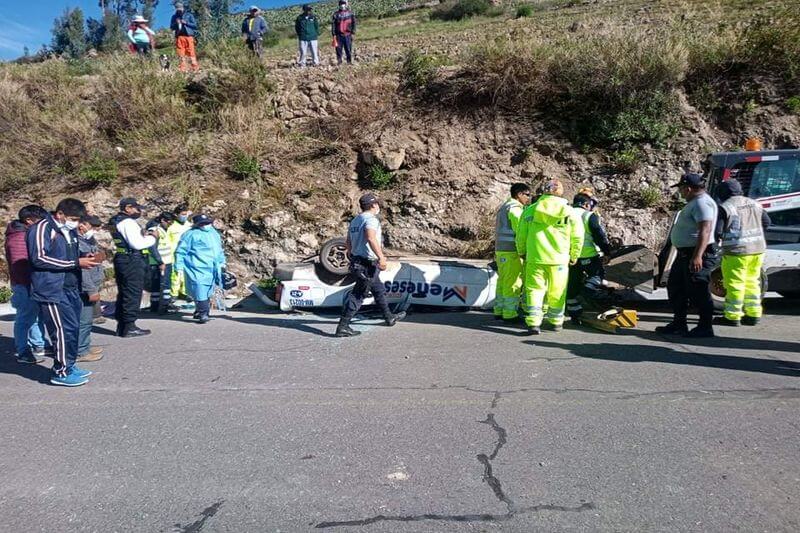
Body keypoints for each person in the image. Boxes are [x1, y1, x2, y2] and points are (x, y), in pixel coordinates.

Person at [27, 199, 100, 386]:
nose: (75, 223)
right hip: (52, 289)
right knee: (60, 331)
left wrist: (84, 258)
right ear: (60, 214)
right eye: (73, 219)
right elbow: (39, 258)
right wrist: (76, 263)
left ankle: (70, 364)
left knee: (72, 328)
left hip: (71, 287)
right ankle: (61, 372)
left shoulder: (69, 231)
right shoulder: (42, 229)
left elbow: (69, 256)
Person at [516, 179, 584, 335]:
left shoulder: (530, 211)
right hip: (559, 260)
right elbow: (577, 237)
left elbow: (521, 235)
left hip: (535, 257)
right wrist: (574, 255)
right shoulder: (570, 212)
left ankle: (533, 323)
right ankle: (555, 322)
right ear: (560, 192)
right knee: (558, 290)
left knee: (534, 290)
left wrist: (522, 252)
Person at [656, 173, 720, 338]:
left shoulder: (702, 203)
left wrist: (698, 256)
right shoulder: (696, 202)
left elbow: (705, 230)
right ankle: (679, 323)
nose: (681, 193)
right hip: (685, 253)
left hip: (697, 253)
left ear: (688, 189)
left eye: (681, 189)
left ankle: (705, 327)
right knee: (676, 288)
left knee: (699, 290)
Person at [335, 193, 405, 337]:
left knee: (378, 289)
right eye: (377, 204)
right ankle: (343, 326)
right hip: (367, 264)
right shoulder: (371, 219)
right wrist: (381, 257)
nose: (378, 206)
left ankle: (389, 317)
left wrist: (351, 254)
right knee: (358, 295)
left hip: (359, 262)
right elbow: (371, 238)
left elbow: (348, 241)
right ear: (374, 205)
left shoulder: (355, 220)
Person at [715, 178, 770, 327]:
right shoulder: (755, 204)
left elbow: (718, 231)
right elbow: (767, 222)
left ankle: (732, 316)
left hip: (736, 251)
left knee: (734, 283)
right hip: (758, 250)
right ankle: (753, 314)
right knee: (752, 282)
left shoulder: (726, 207)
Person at [5, 205, 49, 364]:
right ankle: (22, 350)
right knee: (25, 318)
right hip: (25, 284)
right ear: (29, 220)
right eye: (40, 221)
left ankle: (38, 345)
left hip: (32, 283)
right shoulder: (18, 237)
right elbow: (21, 265)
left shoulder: (27, 233)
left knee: (36, 316)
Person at [111, 198, 156, 337]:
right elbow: (137, 244)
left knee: (124, 292)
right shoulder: (127, 222)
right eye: (137, 208)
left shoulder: (116, 220)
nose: (139, 211)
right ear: (128, 208)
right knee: (132, 292)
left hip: (123, 258)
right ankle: (129, 326)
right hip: (131, 259)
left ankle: (123, 325)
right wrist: (153, 238)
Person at [566, 191, 612, 323]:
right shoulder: (588, 216)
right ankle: (591, 292)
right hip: (589, 256)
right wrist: (607, 252)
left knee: (572, 286)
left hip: (571, 257)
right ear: (586, 204)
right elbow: (599, 236)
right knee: (597, 277)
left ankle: (575, 314)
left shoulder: (565, 214)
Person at [173, 214, 226, 324]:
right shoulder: (190, 234)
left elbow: (218, 249)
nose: (206, 225)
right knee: (200, 289)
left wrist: (222, 262)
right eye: (203, 224)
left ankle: (199, 311)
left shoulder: (213, 233)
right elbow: (181, 251)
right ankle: (203, 313)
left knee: (207, 291)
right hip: (196, 267)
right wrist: (179, 266)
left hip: (212, 267)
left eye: (207, 223)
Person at [493, 183, 531, 321]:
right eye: (527, 194)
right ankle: (510, 314)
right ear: (519, 194)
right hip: (511, 251)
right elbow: (520, 230)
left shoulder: (504, 206)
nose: (528, 198)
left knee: (503, 281)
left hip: (501, 250)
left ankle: (499, 309)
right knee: (513, 282)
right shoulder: (515, 208)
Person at [76, 215, 106, 363]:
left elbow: (97, 257)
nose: (93, 230)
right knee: (84, 320)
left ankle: (84, 346)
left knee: (86, 320)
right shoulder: (78, 242)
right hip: (85, 287)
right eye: (92, 226)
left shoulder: (88, 240)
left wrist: (100, 256)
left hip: (93, 283)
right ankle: (80, 351)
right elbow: (83, 270)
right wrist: (91, 290)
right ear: (81, 225)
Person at [147, 212, 177, 314]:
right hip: (159, 263)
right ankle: (162, 306)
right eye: (169, 222)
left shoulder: (165, 230)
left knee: (163, 285)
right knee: (163, 285)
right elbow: (151, 247)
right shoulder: (156, 230)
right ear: (162, 220)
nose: (171, 224)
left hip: (166, 261)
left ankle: (158, 306)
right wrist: (160, 262)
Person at [167, 204, 193, 301]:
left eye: (186, 214)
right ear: (176, 214)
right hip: (174, 253)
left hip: (187, 253)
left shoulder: (189, 225)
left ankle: (185, 292)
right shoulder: (171, 226)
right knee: (175, 274)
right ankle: (174, 294)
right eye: (182, 214)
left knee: (186, 273)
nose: (185, 216)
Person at [170, 2, 200, 72]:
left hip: (189, 36)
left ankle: (195, 67)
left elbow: (195, 25)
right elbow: (171, 27)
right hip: (179, 37)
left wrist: (186, 22)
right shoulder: (174, 17)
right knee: (181, 53)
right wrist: (176, 23)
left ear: (183, 7)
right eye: (177, 8)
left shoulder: (189, 15)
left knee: (191, 52)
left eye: (180, 7)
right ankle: (183, 69)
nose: (178, 9)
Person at [331, 0, 356, 66]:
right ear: (339, 5)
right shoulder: (336, 14)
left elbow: (354, 23)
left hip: (348, 35)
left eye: (343, 4)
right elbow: (333, 25)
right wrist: (333, 35)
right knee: (338, 50)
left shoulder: (350, 13)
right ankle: (339, 62)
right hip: (339, 35)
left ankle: (349, 62)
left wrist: (353, 33)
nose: (342, 5)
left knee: (348, 49)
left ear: (346, 4)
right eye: (341, 4)